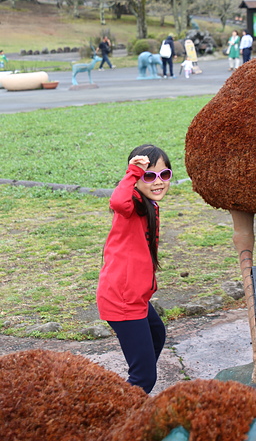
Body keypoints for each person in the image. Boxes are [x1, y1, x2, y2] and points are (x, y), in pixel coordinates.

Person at [96, 144, 172, 393]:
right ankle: (121, 408)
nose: (158, 182)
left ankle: (131, 393)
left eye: (164, 174)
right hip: (122, 300)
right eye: (149, 176)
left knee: (157, 335)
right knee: (143, 378)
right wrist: (132, 172)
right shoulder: (131, 206)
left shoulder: (148, 204)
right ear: (136, 179)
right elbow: (118, 200)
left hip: (136, 297)